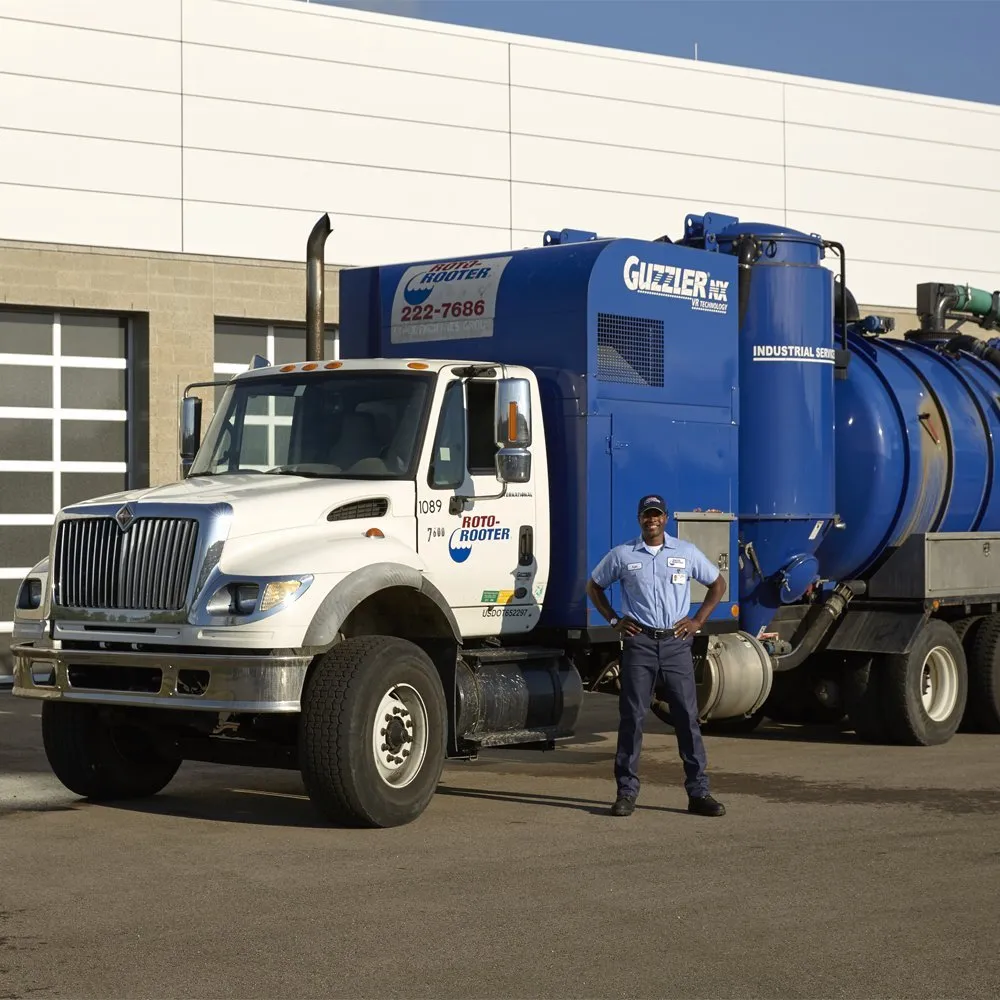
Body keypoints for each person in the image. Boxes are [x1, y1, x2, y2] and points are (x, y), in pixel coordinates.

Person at [586, 493, 728, 818]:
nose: (652, 520)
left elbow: (717, 584)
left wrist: (697, 621)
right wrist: (613, 620)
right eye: (647, 515)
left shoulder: (685, 552)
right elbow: (593, 586)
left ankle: (698, 793)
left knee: (687, 719)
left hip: (676, 644)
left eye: (657, 515)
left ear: (665, 519)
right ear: (640, 519)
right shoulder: (623, 555)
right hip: (640, 645)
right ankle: (626, 794)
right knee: (632, 719)